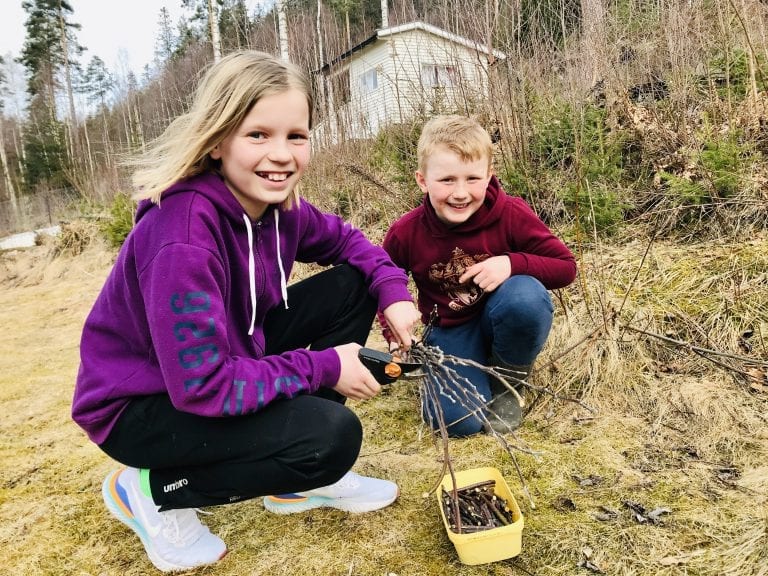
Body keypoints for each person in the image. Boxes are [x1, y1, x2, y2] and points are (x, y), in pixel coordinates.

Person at [71, 50, 421, 573]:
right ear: (217, 140)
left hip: (223, 360)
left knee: (353, 286)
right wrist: (326, 366)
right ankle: (150, 489)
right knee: (331, 439)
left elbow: (350, 243)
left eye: (295, 136)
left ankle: (296, 485)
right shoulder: (183, 237)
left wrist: (394, 292)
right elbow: (203, 385)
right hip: (142, 406)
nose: (281, 154)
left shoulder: (279, 210)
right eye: (257, 135)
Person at [380, 115, 577, 437]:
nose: (460, 193)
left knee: (525, 296)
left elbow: (566, 267)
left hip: (503, 314)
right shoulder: (406, 232)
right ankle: (469, 372)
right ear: (422, 180)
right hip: (449, 329)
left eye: (472, 179)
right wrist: (394, 336)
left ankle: (507, 384)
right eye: (446, 180)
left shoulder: (511, 214)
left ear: (489, 176)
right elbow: (383, 282)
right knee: (457, 424)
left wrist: (512, 264)